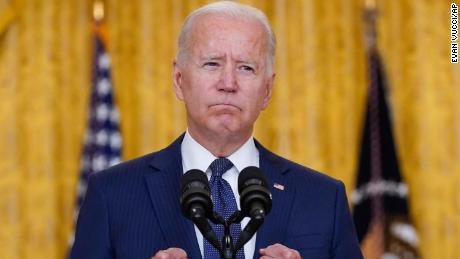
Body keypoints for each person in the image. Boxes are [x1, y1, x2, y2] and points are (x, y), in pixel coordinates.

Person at [70, 1, 363, 259]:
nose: (228, 83)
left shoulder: (324, 199)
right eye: (212, 64)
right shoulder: (112, 195)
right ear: (178, 79)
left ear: (268, 90)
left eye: (246, 68)